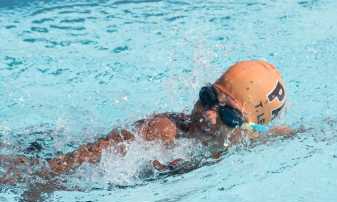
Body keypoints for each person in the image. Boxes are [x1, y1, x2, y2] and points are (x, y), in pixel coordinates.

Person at [0, 60, 293, 184]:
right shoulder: (162, 132)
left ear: (248, 128)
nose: (208, 113)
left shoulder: (249, 138)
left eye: (229, 115)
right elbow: (60, 167)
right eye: (207, 96)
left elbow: (280, 133)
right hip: (45, 155)